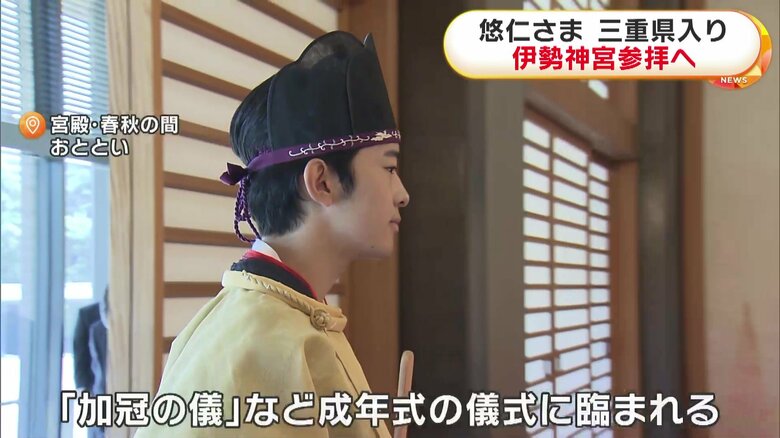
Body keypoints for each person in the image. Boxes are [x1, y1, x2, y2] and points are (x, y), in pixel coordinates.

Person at [135, 31, 409, 437]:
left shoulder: (290, 318)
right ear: (322, 182)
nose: (402, 194)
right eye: (388, 168)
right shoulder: (253, 345)